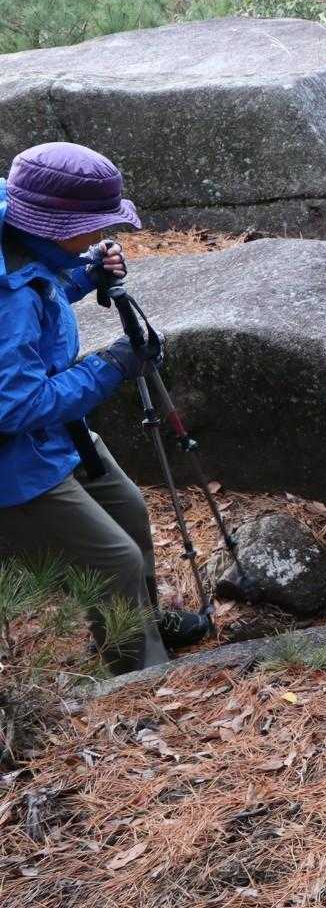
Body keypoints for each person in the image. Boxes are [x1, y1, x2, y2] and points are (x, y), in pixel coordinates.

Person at [0, 142, 209, 673]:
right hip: (13, 462)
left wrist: (86, 273)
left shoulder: (19, 241)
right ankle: (139, 674)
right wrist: (111, 366)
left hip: (55, 434)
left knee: (130, 510)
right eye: (92, 226)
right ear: (52, 224)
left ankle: (141, 622)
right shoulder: (9, 300)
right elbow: (14, 405)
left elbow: (39, 284)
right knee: (114, 560)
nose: (102, 232)